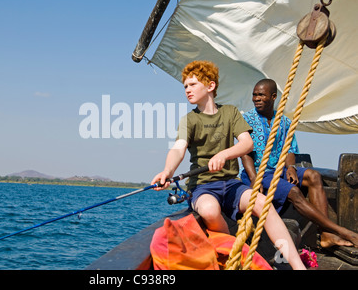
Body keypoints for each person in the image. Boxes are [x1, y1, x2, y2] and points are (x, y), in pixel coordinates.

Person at [151, 61, 306, 270]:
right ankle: (233, 249)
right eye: (185, 86)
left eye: (193, 84)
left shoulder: (231, 113)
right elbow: (179, 148)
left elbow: (247, 143)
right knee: (209, 210)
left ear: (210, 86)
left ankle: (298, 266)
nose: (187, 90)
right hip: (202, 186)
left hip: (231, 184)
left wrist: (224, 154)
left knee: (263, 204)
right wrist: (167, 171)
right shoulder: (189, 120)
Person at [240, 78, 358, 248]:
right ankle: (341, 231)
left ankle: (326, 235)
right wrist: (254, 178)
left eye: (261, 95)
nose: (256, 98)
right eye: (254, 95)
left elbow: (289, 148)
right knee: (294, 191)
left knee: (314, 176)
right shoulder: (246, 120)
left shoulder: (285, 122)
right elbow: (245, 153)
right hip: (259, 173)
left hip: (279, 170)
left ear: (273, 97)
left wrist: (291, 168)